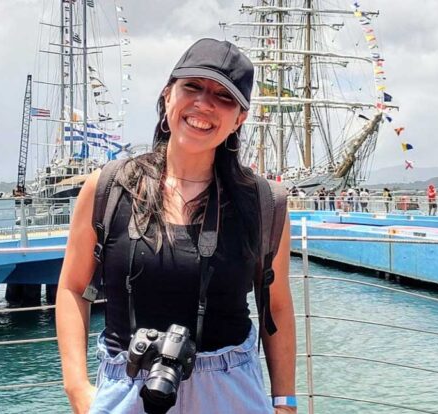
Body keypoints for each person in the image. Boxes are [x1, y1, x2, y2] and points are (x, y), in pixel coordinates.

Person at [55, 38, 296, 414]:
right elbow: (72, 287)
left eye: (224, 96)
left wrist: (284, 402)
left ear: (240, 118)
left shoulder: (264, 204)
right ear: (168, 95)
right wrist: (78, 388)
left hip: (229, 389)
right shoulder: (109, 188)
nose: (204, 104)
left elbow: (276, 307)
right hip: (127, 385)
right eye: (193, 87)